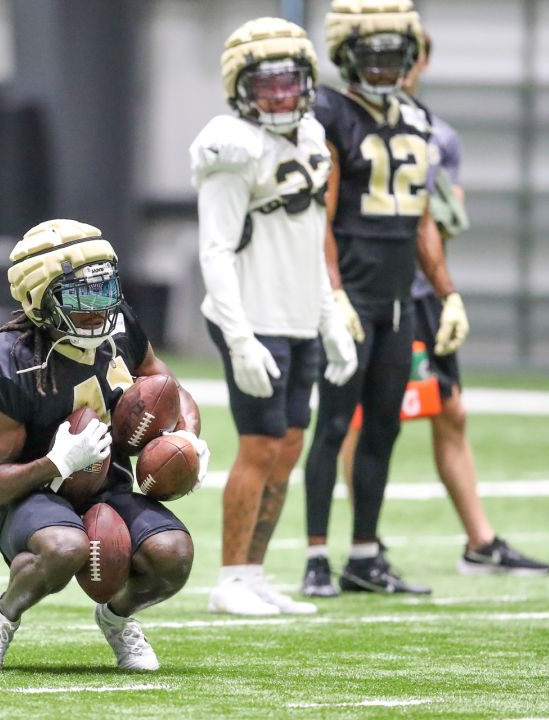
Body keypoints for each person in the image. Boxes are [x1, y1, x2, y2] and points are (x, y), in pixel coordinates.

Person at [336, 32, 549, 577]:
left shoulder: (435, 133)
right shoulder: (343, 126)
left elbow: (439, 223)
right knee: (362, 418)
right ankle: (366, 542)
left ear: (421, 63)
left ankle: (479, 542)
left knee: (450, 410)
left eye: (405, 57)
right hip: (370, 294)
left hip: (420, 297)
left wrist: (445, 287)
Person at [0, 219, 208, 672]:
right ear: (40, 301)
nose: (99, 308)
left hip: (107, 489)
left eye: (104, 289)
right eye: (80, 296)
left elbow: (162, 382)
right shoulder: (7, 363)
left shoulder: (120, 328)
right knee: (63, 547)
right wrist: (54, 462)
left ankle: (117, 618)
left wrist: (187, 435)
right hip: (33, 496)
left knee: (173, 554)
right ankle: (1, 618)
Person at [300, 0, 469, 597]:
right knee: (335, 423)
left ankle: (365, 556)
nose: (387, 67)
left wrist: (447, 294)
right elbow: (321, 214)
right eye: (375, 56)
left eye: (396, 55)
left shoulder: (416, 117)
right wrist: (334, 293)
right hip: (353, 295)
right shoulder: (329, 113)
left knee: (384, 431)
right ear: (346, 56)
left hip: (399, 299)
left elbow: (422, 218)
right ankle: (317, 556)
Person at [189, 18, 358, 616]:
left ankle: (254, 573)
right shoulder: (230, 146)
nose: (282, 97)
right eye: (269, 86)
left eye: (291, 84)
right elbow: (214, 249)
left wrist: (330, 317)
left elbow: (311, 238)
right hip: (250, 316)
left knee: (288, 446)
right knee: (259, 447)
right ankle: (229, 578)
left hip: (297, 316)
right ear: (241, 87)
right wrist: (238, 339)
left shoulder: (312, 137)